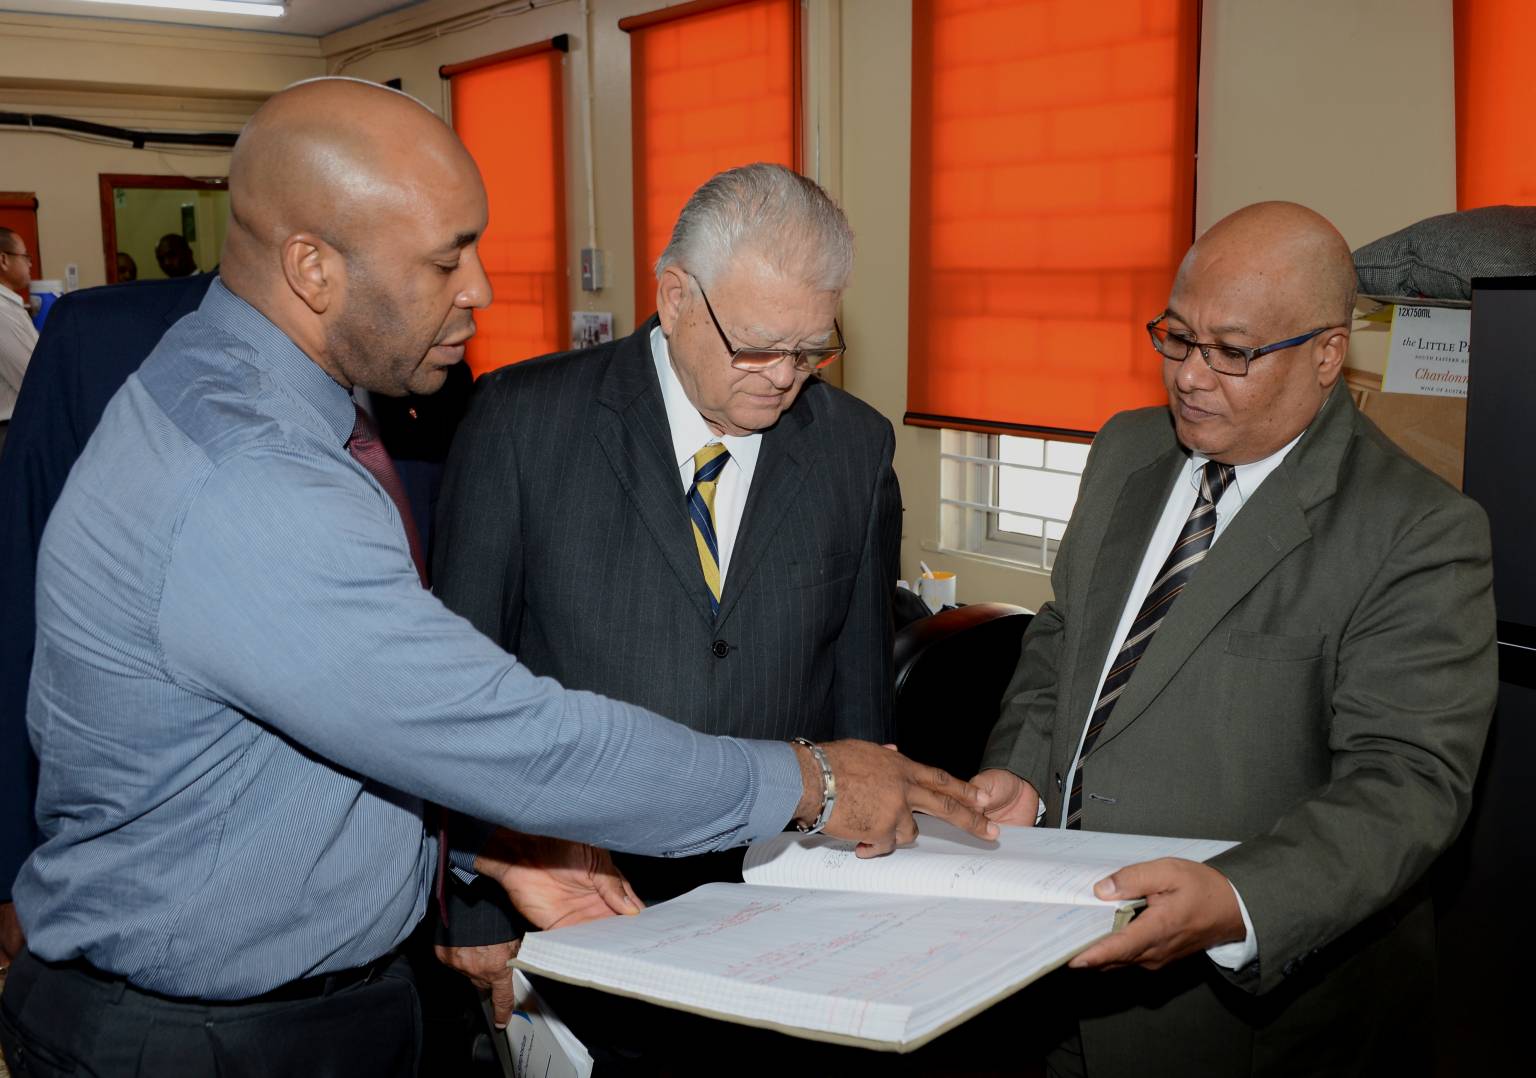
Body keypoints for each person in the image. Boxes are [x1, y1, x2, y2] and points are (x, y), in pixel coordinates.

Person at [0, 78, 992, 1077]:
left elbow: (356, 721)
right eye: (446, 258)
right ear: (312, 267)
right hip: (207, 1040)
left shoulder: (223, 381)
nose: (478, 287)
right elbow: (503, 732)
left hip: (277, 1005)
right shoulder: (253, 477)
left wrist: (494, 849)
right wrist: (812, 781)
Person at [973, 201, 1497, 1077]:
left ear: (1328, 353)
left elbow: (1409, 783)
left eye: (1234, 352)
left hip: (1239, 1023)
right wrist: (1022, 768)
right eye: (1177, 338)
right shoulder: (1125, 451)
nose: (1190, 375)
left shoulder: (1418, 530)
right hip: (1049, 959)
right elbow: (1065, 639)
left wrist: (1239, 899)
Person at [431, 162, 900, 1042]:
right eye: (757, 345)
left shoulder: (855, 449)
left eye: (811, 349)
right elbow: (458, 678)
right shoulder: (523, 422)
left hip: (778, 906)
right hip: (574, 893)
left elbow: (858, 689)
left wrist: (858, 891)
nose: (782, 378)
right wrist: (480, 911)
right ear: (677, 296)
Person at [0, 269, 470, 1019]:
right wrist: (10, 865)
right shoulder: (100, 341)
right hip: (164, 950)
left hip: (383, 925)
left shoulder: (424, 354)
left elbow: (437, 608)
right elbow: (19, 596)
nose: (466, 285)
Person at [0, 227, 38, 461]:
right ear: (3, 260)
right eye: (26, 257)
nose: (30, 265)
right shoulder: (1, 313)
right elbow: (33, 376)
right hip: (8, 430)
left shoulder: (10, 307)